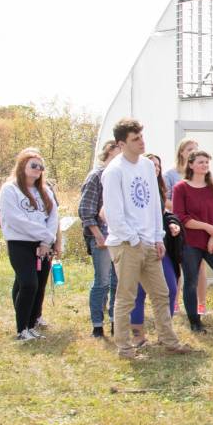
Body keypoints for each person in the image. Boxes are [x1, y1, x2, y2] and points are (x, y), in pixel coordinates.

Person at [100, 118, 195, 357]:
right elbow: (113, 213)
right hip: (126, 243)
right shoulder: (114, 171)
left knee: (162, 293)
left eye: (142, 136)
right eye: (135, 139)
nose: (142, 142)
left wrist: (157, 237)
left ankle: (168, 339)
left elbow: (155, 204)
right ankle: (123, 346)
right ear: (122, 143)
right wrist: (133, 239)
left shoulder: (145, 166)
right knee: (127, 296)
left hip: (150, 242)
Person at [0, 148, 60, 341]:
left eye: (40, 167)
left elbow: (53, 216)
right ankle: (21, 328)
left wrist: (46, 241)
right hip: (20, 242)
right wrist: (44, 235)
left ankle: (32, 325)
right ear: (22, 165)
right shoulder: (10, 189)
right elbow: (15, 219)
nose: (37, 169)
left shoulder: (45, 191)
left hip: (43, 244)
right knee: (28, 283)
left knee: (40, 284)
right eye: (33, 165)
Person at [172, 146, 213, 334]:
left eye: (207, 162)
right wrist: (206, 227)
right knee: (191, 281)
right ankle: (194, 322)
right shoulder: (181, 188)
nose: (204, 165)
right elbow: (181, 217)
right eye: (200, 162)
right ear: (191, 165)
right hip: (191, 242)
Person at [124, 153, 184, 335]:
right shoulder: (132, 184)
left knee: (171, 288)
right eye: (151, 165)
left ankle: (165, 333)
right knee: (139, 292)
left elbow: (162, 214)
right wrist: (132, 238)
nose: (154, 168)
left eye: (157, 166)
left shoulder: (159, 189)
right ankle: (137, 335)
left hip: (158, 245)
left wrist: (172, 223)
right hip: (135, 245)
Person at [78, 139, 121, 338]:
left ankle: (115, 321)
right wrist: (98, 235)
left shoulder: (121, 176)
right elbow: (86, 210)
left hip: (119, 237)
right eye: (115, 153)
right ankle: (97, 324)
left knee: (117, 281)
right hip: (101, 237)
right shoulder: (97, 176)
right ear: (107, 154)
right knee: (102, 281)